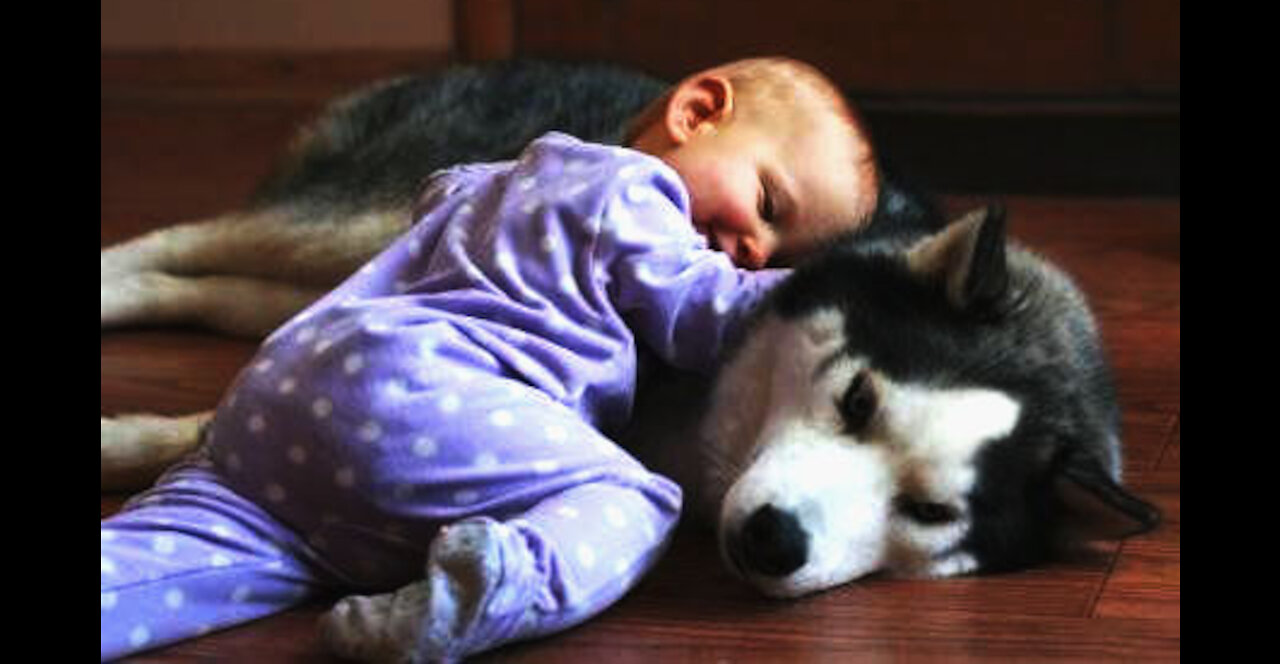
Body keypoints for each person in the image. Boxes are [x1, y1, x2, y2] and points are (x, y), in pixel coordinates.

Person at [100, 57, 879, 662]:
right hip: (419, 397)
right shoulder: (630, 195)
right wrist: (824, 284)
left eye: (781, 248)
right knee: (635, 497)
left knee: (161, 565)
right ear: (697, 112)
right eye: (769, 207)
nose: (754, 249)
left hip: (279, 408)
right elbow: (707, 312)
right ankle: (498, 584)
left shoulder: (495, 179)